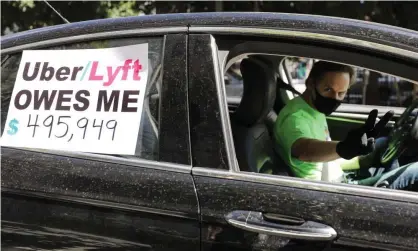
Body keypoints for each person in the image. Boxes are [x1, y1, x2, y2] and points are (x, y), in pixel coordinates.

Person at [274, 61, 418, 191]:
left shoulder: (315, 110)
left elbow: (327, 162)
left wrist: (362, 158)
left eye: (341, 93)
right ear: (310, 83)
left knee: (383, 145)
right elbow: (304, 150)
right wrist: (343, 147)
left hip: (337, 180)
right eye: (328, 90)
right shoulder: (295, 117)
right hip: (326, 192)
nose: (334, 98)